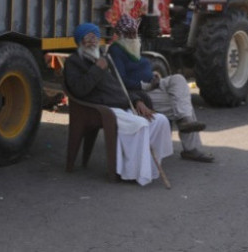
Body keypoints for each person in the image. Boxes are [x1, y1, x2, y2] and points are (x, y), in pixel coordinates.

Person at [63, 22, 173, 186]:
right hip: (101, 108)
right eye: (88, 38)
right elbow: (79, 90)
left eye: (95, 37)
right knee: (141, 124)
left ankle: (147, 167)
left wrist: (138, 100)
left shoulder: (105, 59)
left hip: (123, 103)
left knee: (160, 121)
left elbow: (122, 86)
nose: (93, 41)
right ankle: (130, 172)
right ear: (80, 42)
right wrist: (97, 70)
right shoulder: (74, 63)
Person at [107, 13, 215, 163]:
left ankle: (184, 121)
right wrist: (145, 85)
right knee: (182, 103)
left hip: (153, 84)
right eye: (128, 33)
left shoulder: (133, 46)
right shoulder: (116, 50)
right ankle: (190, 147)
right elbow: (121, 81)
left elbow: (141, 68)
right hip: (141, 92)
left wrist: (153, 76)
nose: (132, 35)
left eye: (134, 32)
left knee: (179, 80)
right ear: (119, 34)